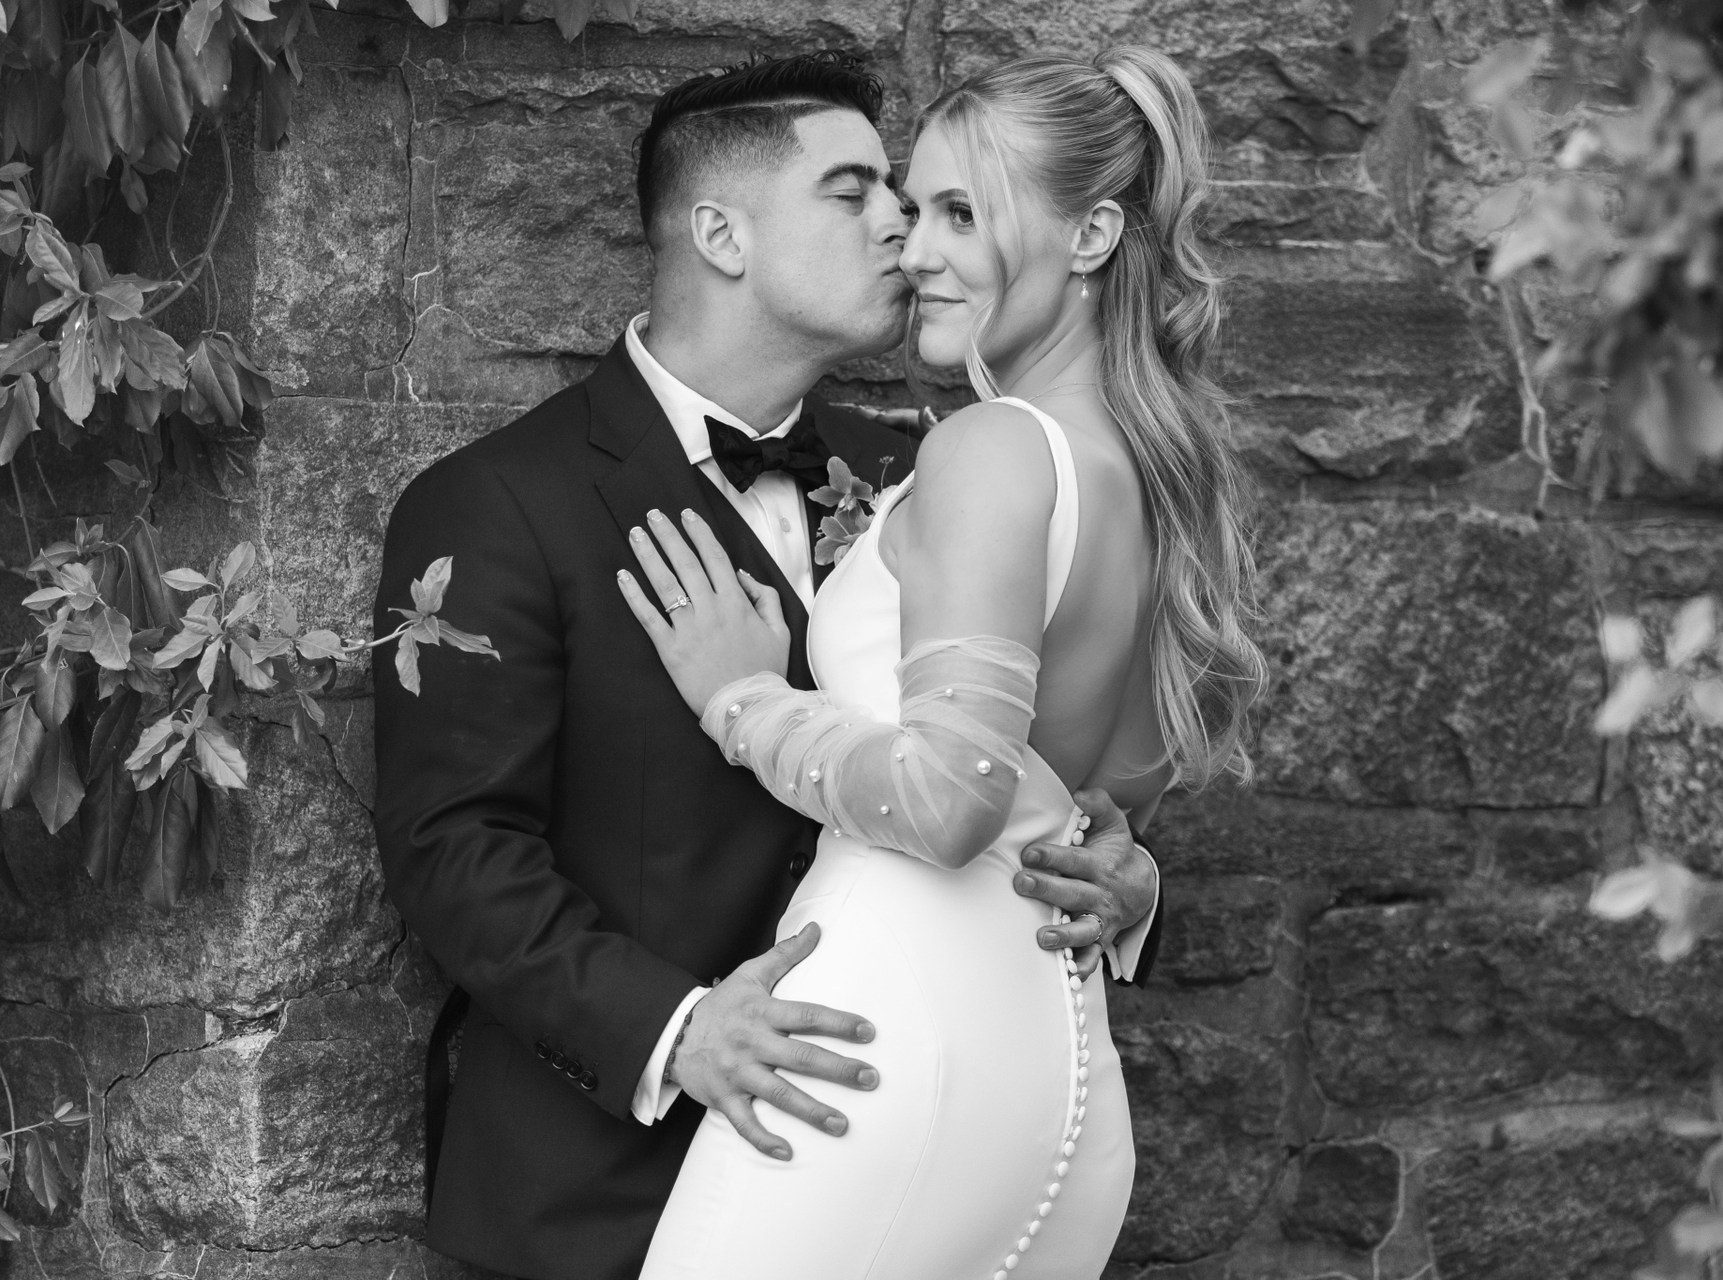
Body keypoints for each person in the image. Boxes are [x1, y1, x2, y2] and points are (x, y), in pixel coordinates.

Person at [371, 52, 1165, 1280]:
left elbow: (1002, 761)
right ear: (722, 234)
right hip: (604, 1184)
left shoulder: (921, 469)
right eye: (856, 192)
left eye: (918, 198)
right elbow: (453, 849)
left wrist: (1110, 869)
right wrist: (679, 1031)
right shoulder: (497, 503)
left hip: (906, 1134)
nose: (899, 225)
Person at [621, 46, 1264, 1280]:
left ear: (1092, 236)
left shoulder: (994, 449)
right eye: (916, 211)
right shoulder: (1152, 471)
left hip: (882, 1048)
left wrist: (744, 699)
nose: (914, 250)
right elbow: (1102, 814)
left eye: (962, 214)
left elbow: (952, 799)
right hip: (1057, 1065)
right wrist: (1129, 877)